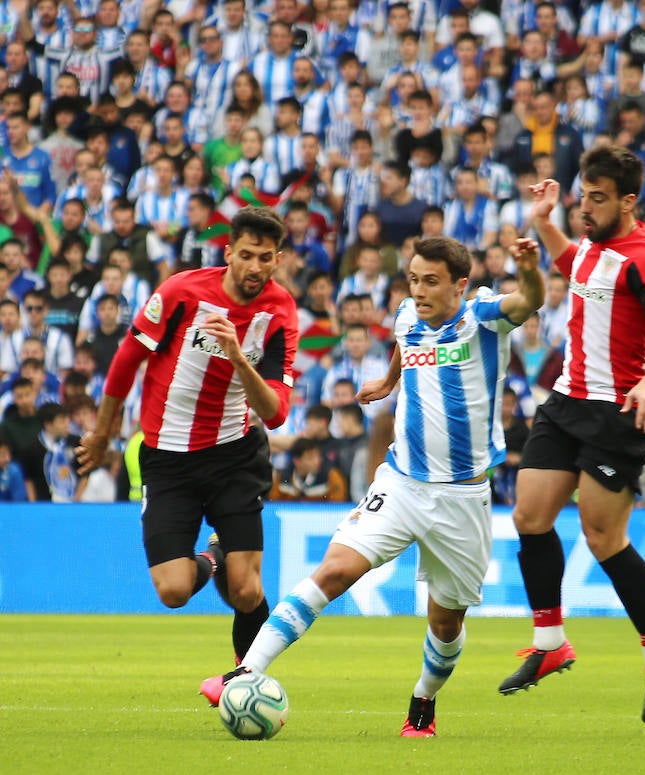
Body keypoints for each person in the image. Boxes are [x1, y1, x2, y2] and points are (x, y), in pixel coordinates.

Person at [201, 236, 545, 737]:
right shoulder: (407, 314)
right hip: (401, 483)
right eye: (413, 279)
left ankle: (423, 702)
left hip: (462, 499)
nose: (419, 290)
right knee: (334, 571)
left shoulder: (483, 319)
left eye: (431, 281)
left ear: (460, 285)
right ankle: (246, 671)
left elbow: (529, 299)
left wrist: (531, 272)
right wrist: (388, 382)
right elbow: (406, 347)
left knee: (446, 625)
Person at [504, 147, 645, 724]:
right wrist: (544, 222)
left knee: (604, 539)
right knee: (529, 516)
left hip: (616, 412)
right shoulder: (592, 244)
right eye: (584, 195)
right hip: (565, 401)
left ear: (629, 201)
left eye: (599, 198)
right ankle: (550, 640)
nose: (587, 206)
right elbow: (572, 265)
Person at [74, 207, 298, 664]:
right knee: (173, 590)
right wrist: (101, 434)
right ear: (229, 251)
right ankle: (214, 555)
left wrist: (239, 359)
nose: (256, 267)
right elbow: (125, 361)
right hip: (168, 459)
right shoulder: (181, 291)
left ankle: (245, 680)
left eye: (266, 258)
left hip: (234, 456)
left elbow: (275, 415)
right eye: (248, 255)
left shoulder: (279, 311)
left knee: (247, 589)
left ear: (278, 259)